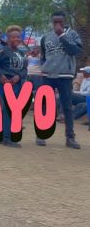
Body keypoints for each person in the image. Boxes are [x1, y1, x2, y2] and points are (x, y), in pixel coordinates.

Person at [39, 11, 83, 148]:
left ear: (65, 22)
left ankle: (70, 137)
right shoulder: (46, 37)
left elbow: (75, 51)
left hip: (65, 75)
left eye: (60, 22)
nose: (57, 24)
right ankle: (41, 134)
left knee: (67, 106)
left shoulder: (73, 34)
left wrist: (62, 35)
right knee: (45, 105)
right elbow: (43, 55)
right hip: (48, 75)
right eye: (55, 22)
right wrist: (44, 67)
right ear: (52, 22)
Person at [0, 25, 27, 148]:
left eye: (18, 37)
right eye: (13, 37)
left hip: (17, 85)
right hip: (5, 84)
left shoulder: (21, 53)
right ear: (8, 38)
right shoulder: (3, 51)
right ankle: (7, 138)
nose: (16, 39)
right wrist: (0, 75)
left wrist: (19, 76)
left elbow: (25, 69)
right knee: (8, 110)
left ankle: (3, 136)